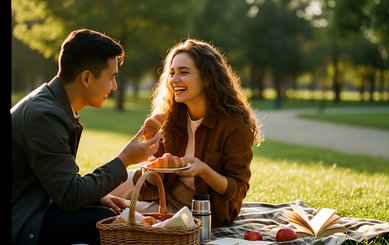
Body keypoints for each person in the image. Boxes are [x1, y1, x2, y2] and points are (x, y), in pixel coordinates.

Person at [11, 29, 160, 245]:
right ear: (86, 77)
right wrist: (124, 159)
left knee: (103, 209)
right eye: (112, 77)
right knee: (105, 221)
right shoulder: (45, 116)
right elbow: (70, 196)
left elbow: (60, 181)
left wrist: (97, 196)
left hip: (34, 207)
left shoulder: (54, 106)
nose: (115, 86)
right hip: (22, 220)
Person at [110, 39, 262, 227]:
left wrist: (203, 169)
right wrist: (152, 153)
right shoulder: (172, 118)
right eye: (172, 73)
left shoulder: (235, 124)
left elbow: (237, 190)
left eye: (184, 72)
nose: (174, 79)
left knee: (112, 211)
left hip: (202, 212)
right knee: (99, 193)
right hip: (164, 195)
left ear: (207, 78)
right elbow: (152, 181)